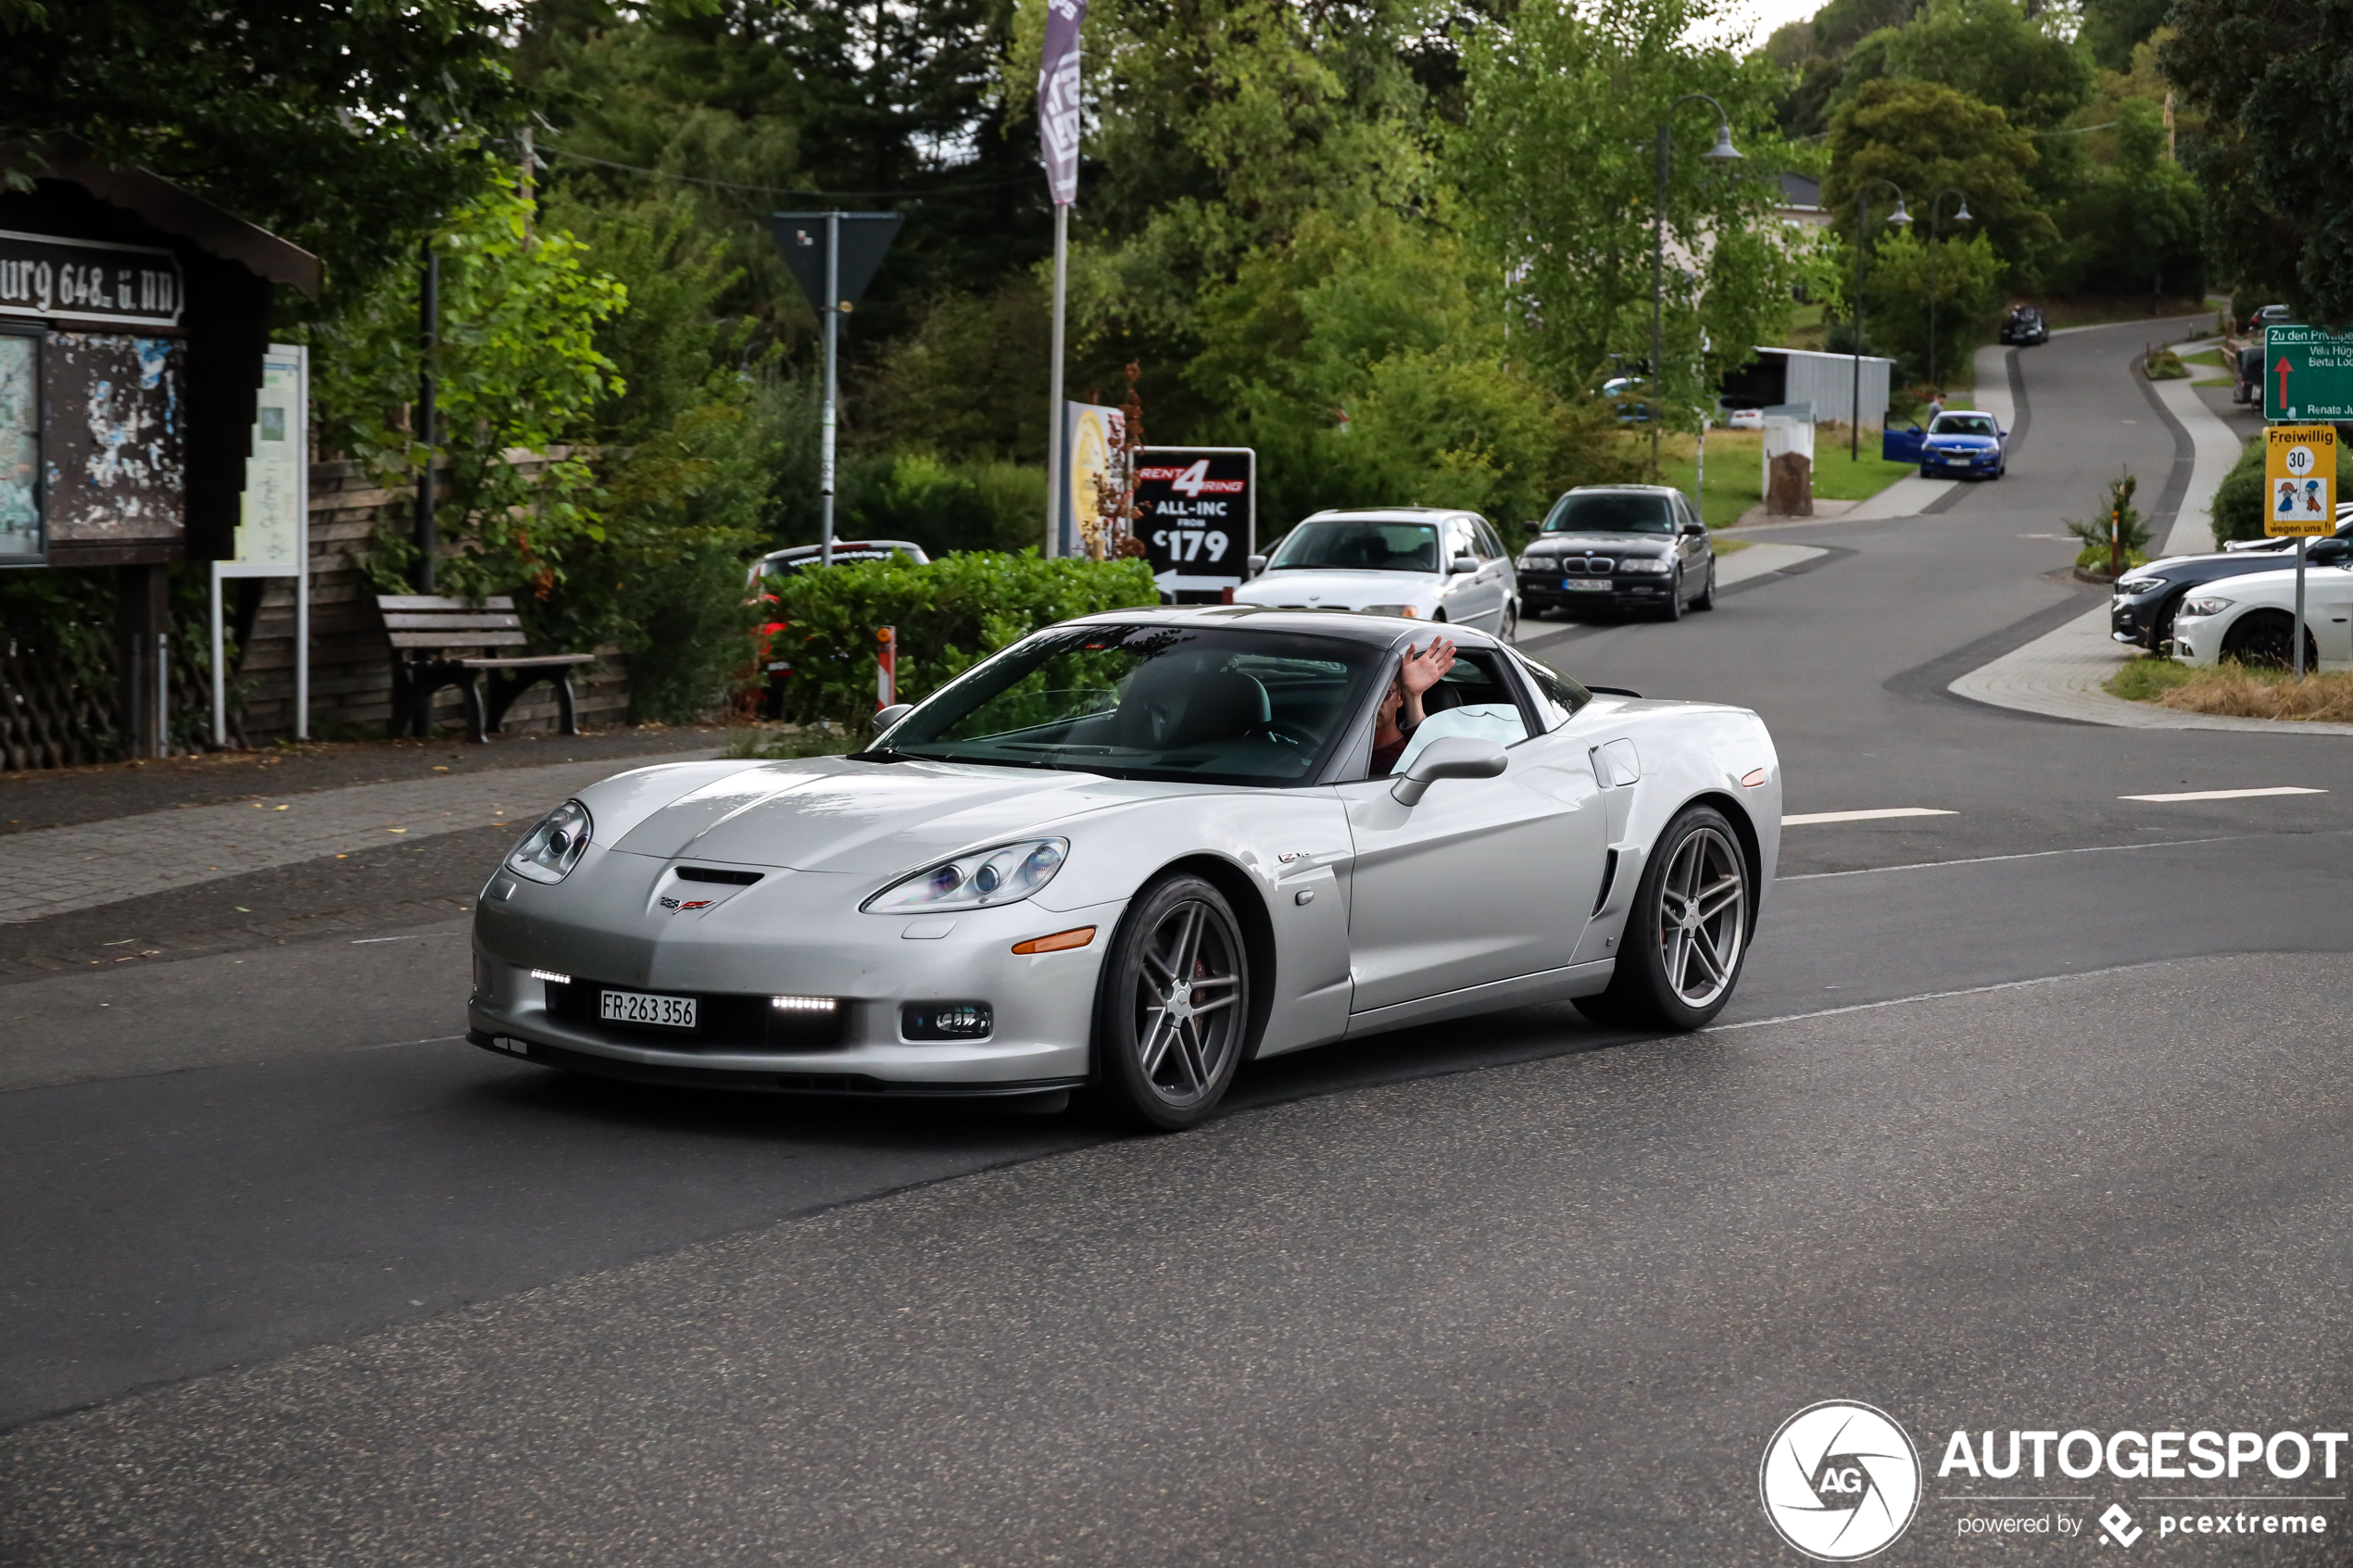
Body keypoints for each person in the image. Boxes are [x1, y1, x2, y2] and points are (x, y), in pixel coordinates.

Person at [1369, 635, 1457, 777]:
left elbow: (1433, 765)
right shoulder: (1327, 743)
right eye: (1364, 691)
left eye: (1385, 693)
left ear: (1400, 698)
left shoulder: (1407, 758)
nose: (1374, 701)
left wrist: (1412, 695)